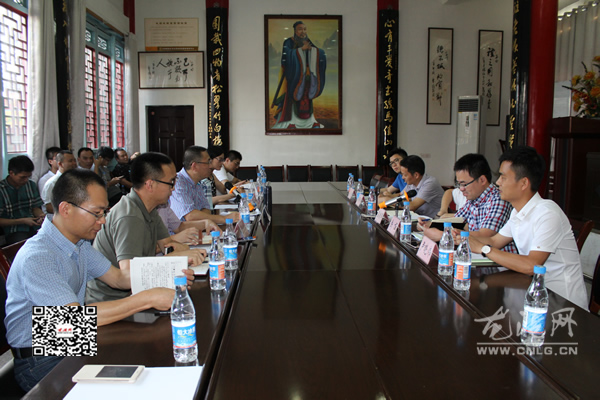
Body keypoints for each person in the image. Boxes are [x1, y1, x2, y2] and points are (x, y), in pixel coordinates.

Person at [4, 169, 192, 392]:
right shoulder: (39, 257)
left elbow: (119, 278)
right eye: (96, 213)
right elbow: (74, 320)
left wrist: (171, 271)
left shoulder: (79, 244)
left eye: (104, 212)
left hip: (72, 342)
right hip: (44, 357)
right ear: (65, 209)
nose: (102, 221)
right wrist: (148, 298)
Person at [467, 146, 588, 309]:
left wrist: (484, 249)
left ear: (524, 183)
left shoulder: (547, 213)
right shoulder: (517, 212)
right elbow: (495, 241)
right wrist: (462, 236)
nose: (497, 182)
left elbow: (532, 265)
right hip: (533, 293)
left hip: (562, 304)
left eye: (503, 177)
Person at [86, 152, 205, 303]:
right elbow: (129, 273)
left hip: (135, 293)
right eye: (171, 182)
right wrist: (176, 259)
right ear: (150, 184)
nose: (173, 188)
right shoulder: (129, 216)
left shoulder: (150, 208)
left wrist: (188, 252)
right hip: (113, 300)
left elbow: (167, 245)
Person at [418, 153, 517, 253]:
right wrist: (429, 224)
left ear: (482, 180)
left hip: (495, 259)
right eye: (459, 184)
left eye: (464, 184)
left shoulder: (498, 199)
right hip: (475, 254)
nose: (461, 189)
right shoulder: (474, 199)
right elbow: (456, 221)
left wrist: (443, 235)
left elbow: (485, 235)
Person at [271, 20, 327, 129]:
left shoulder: (307, 41)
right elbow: (286, 57)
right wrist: (300, 50)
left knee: (306, 97)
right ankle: (291, 122)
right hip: (294, 76)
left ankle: (310, 122)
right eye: (300, 29)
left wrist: (313, 51)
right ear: (295, 31)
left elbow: (319, 52)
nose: (303, 32)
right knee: (293, 97)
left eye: (304, 29)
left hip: (307, 76)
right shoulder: (288, 42)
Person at [170, 146, 240, 225]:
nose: (210, 166)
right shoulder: (178, 182)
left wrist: (202, 217)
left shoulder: (198, 183)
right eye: (208, 162)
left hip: (198, 229)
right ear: (194, 166)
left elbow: (206, 210)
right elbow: (190, 216)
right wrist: (224, 219)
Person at [0, 156, 45, 245]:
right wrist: (22, 221)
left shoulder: (31, 185)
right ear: (11, 173)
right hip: (14, 230)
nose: (26, 180)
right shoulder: (1, 189)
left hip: (34, 226)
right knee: (27, 244)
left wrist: (40, 216)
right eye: (22, 177)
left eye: (28, 176)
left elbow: (35, 208)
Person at [157, 204, 221, 245]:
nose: (173, 189)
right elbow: (151, 248)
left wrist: (205, 223)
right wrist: (174, 238)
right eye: (170, 186)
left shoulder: (163, 206)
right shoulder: (152, 210)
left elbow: (178, 227)